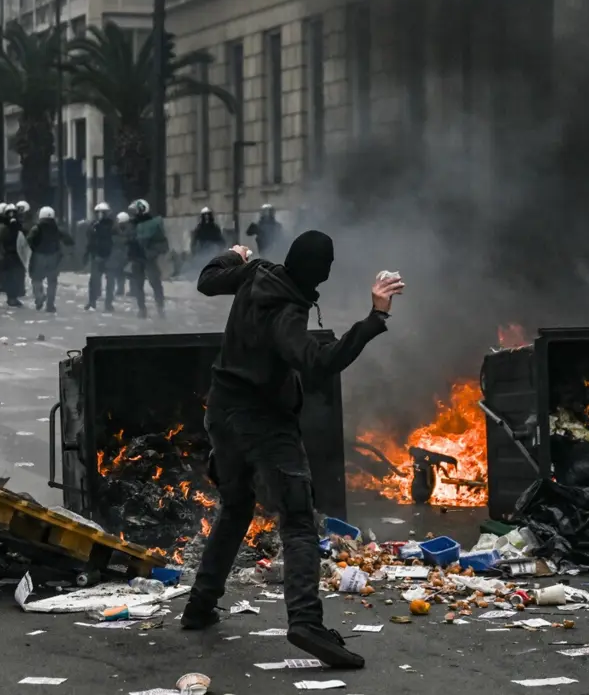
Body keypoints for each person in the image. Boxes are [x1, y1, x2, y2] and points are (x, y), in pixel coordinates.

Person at [180, 231, 404, 670]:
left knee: (236, 506)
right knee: (298, 521)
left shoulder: (258, 271)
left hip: (222, 411)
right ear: (321, 272)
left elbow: (209, 278)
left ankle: (199, 605)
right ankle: (306, 621)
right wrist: (376, 317)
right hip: (263, 421)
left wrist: (234, 255)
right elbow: (319, 363)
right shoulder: (287, 311)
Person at [28, 205, 74, 313]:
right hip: (54, 256)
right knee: (52, 282)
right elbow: (69, 240)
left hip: (39, 256)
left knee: (36, 279)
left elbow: (28, 240)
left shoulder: (36, 228)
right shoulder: (57, 228)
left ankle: (39, 297)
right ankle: (50, 305)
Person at [127, 198, 168, 318]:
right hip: (137, 258)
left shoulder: (153, 224)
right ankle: (142, 309)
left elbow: (161, 242)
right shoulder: (133, 225)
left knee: (155, 283)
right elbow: (128, 239)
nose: (133, 214)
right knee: (138, 285)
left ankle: (160, 307)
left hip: (149, 258)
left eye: (135, 211)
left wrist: (152, 252)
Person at [0, 200, 29, 308]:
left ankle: (15, 295)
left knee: (17, 275)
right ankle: (11, 297)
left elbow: (24, 239)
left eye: (13, 213)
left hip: (17, 255)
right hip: (9, 255)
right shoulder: (4, 228)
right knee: (10, 276)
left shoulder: (18, 227)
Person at [85, 202, 115, 311]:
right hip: (98, 256)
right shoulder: (94, 226)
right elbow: (90, 241)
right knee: (94, 281)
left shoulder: (111, 225)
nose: (100, 215)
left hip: (108, 256)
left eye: (102, 213)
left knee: (109, 282)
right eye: (98, 213)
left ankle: (108, 303)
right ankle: (92, 302)